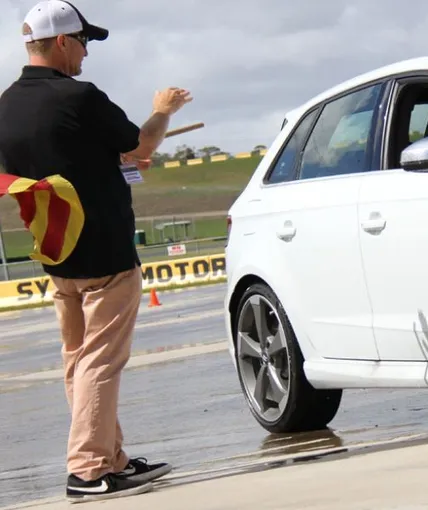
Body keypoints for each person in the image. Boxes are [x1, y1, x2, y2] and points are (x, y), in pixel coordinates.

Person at [0, 0, 193, 503]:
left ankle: (112, 459)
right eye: (84, 42)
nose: (86, 53)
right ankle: (88, 469)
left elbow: (68, 160)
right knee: (99, 363)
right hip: (105, 250)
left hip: (56, 249)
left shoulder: (6, 105)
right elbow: (143, 144)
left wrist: (114, 167)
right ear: (62, 42)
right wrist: (163, 110)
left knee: (78, 360)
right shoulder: (79, 96)